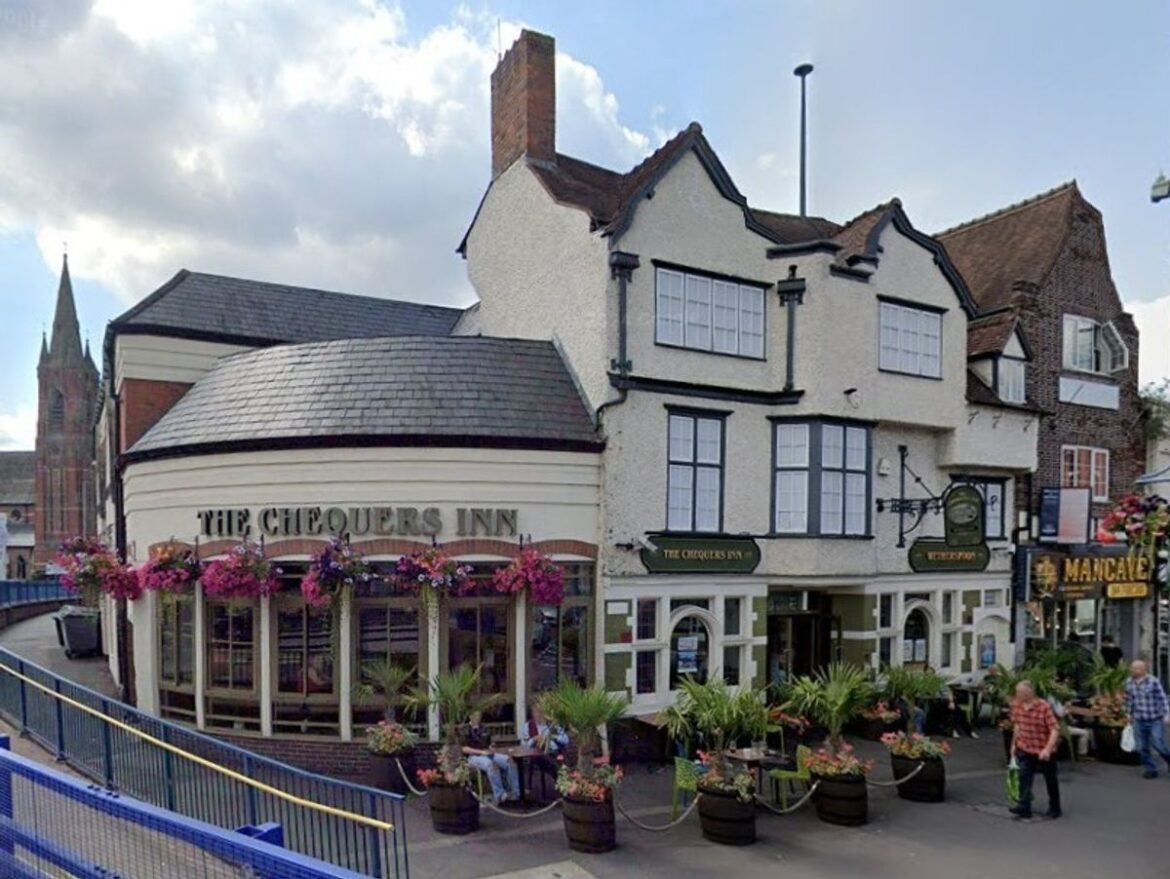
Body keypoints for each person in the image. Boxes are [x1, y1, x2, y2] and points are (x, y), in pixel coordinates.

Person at [1009, 680, 1062, 820]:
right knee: (1024, 777)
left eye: (1019, 692)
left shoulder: (1043, 706)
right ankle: (1024, 806)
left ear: (1029, 693)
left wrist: (1047, 749)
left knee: (1050, 779)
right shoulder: (1017, 705)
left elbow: (1055, 729)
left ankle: (1055, 807)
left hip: (1042, 748)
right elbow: (1017, 725)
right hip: (1025, 746)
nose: (1017, 694)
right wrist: (1013, 744)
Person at [1124, 660, 1170, 779]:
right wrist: (1128, 714)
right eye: (1132, 668)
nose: (1132, 670)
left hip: (1155, 719)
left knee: (1158, 744)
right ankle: (1151, 769)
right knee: (1141, 747)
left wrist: (1167, 714)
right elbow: (1129, 700)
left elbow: (1163, 698)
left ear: (1143, 670)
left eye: (1135, 668)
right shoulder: (1129, 682)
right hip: (1139, 719)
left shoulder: (1153, 681)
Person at [463, 711, 520, 804]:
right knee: (491, 765)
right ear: (470, 716)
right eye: (475, 715)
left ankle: (515, 793)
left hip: (488, 753)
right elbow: (464, 749)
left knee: (510, 761)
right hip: (474, 756)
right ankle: (500, 795)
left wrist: (491, 748)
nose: (478, 717)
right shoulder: (465, 729)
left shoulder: (484, 728)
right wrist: (481, 752)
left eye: (479, 715)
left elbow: (489, 743)